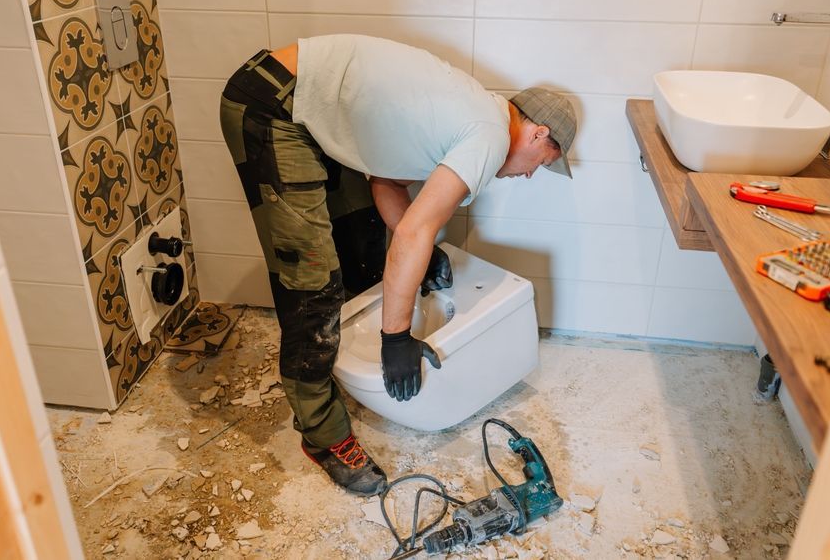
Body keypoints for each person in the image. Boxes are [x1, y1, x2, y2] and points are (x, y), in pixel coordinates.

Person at [219, 35, 576, 496]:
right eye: (540, 163)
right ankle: (323, 436)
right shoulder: (488, 134)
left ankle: (335, 367)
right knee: (311, 281)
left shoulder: (472, 115)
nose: (528, 174)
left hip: (302, 104)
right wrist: (396, 338)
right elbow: (411, 234)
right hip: (273, 106)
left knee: (362, 241)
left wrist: (421, 255)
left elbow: (386, 179)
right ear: (538, 133)